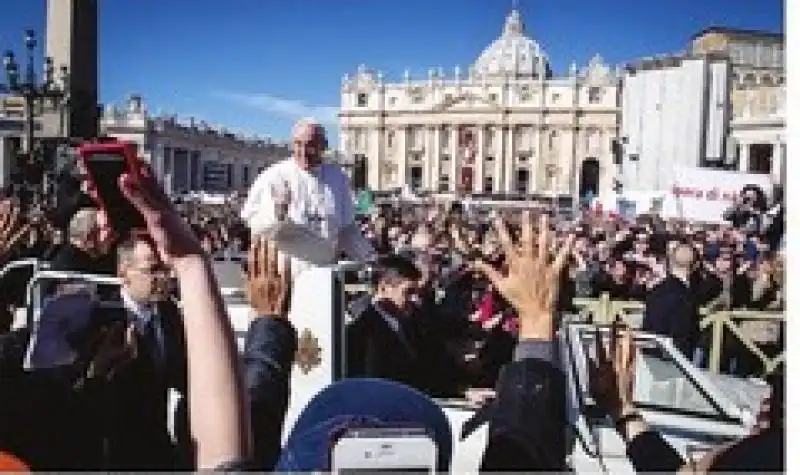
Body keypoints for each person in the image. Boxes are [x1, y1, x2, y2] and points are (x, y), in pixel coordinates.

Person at [240, 118, 375, 272]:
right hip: (284, 273)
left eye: (311, 145)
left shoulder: (337, 177)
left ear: (324, 146)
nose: (303, 152)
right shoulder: (274, 175)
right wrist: (278, 212)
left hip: (325, 270)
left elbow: (346, 229)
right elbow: (254, 225)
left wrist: (369, 256)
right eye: (298, 144)